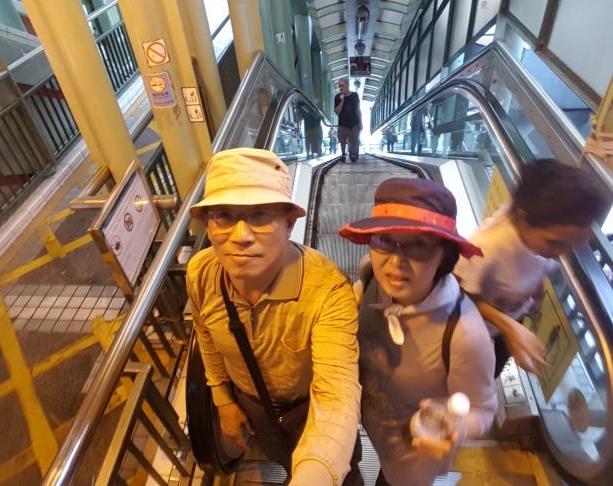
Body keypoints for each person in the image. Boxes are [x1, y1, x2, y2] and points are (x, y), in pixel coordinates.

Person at [186, 148, 362, 486]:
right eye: (223, 215)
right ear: (207, 224)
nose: (241, 236)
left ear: (289, 223)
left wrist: (314, 477)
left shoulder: (327, 290)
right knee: (283, 458)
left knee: (344, 475)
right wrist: (223, 400)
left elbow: (337, 394)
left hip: (309, 409)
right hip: (254, 409)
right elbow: (205, 336)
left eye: (259, 215)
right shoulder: (201, 274)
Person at [339, 178, 497, 485]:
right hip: (367, 425)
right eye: (384, 239)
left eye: (420, 245)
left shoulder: (464, 335)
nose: (396, 261)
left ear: (444, 255)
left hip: (414, 453)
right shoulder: (372, 275)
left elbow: (483, 410)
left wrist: (455, 430)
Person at [454, 158, 611, 376]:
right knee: (473, 374)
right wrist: (508, 327)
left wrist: (534, 296)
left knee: (492, 369)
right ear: (521, 220)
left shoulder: (542, 228)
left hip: (508, 322)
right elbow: (457, 295)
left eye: (575, 243)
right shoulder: (486, 249)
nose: (562, 253)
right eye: (555, 243)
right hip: (474, 331)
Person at [334, 78, 362, 162]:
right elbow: (337, 112)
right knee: (342, 140)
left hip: (353, 123)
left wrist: (360, 123)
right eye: (339, 86)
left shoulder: (354, 95)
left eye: (342, 85)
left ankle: (352, 154)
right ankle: (343, 154)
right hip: (342, 124)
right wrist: (342, 101)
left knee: (353, 141)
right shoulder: (337, 97)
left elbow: (358, 110)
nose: (340, 88)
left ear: (347, 85)